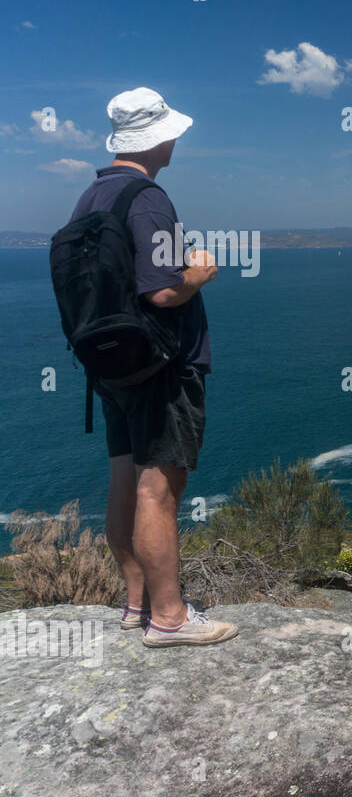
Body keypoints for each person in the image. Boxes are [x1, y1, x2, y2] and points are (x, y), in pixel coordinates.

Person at [66, 87, 237, 647]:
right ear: (159, 138)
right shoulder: (148, 198)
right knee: (159, 488)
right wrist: (201, 274)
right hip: (162, 365)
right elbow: (164, 292)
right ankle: (168, 617)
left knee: (124, 479)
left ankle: (137, 601)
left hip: (110, 366)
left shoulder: (92, 197)